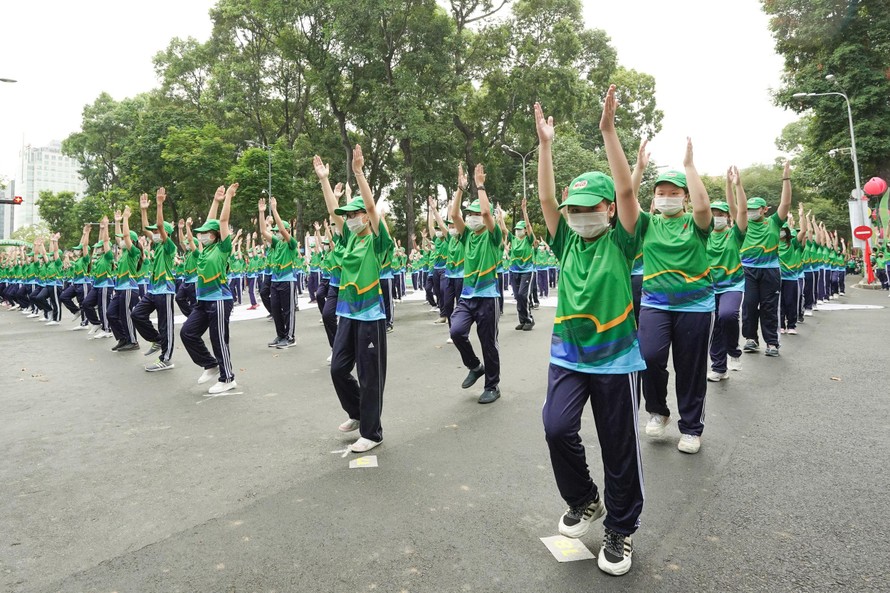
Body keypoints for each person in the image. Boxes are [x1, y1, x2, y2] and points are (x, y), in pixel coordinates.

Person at [536, 89, 645, 576]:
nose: (580, 216)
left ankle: (621, 527)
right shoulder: (565, 242)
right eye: (573, 210)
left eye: (589, 207)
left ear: (608, 208)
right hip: (568, 356)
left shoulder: (622, 240)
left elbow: (628, 192)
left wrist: (608, 131)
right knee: (556, 427)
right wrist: (545, 146)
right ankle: (584, 500)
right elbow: (546, 198)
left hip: (616, 360)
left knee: (619, 445)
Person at [314, 147, 391, 453]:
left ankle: (373, 432)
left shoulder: (377, 240)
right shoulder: (347, 240)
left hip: (370, 317)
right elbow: (334, 213)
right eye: (347, 216)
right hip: (347, 315)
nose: (349, 220)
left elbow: (371, 208)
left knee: (370, 378)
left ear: (366, 218)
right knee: (338, 369)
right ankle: (357, 413)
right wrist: (324, 180)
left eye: (353, 215)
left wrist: (358, 173)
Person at [638, 144, 714, 455]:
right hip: (655, 303)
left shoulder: (696, 224)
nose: (666, 197)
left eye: (674, 192)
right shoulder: (648, 223)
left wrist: (689, 166)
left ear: (685, 196)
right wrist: (639, 169)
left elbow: (703, 205)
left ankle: (692, 428)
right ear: (654, 198)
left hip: (695, 305)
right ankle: (659, 410)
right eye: (661, 193)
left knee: (689, 367)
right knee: (649, 356)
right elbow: (624, 199)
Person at [449, 163, 503, 404]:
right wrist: (460, 188)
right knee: (456, 332)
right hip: (467, 297)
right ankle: (474, 366)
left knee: (488, 343)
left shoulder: (493, 236)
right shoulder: (467, 236)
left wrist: (480, 186)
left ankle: (492, 386)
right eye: (470, 214)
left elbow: (488, 215)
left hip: (488, 297)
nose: (472, 217)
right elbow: (454, 216)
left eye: (476, 213)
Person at [180, 183, 239, 395]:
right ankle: (210, 364)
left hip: (219, 300)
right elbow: (210, 221)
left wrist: (228, 197)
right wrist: (215, 200)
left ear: (215, 235)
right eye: (201, 233)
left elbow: (222, 221)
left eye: (206, 233)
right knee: (187, 333)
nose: (202, 235)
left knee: (218, 339)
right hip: (203, 301)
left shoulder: (222, 248)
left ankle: (227, 378)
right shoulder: (204, 251)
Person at [737, 164, 792, 357]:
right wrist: (737, 185)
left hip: (770, 270)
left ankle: (772, 342)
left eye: (755, 209)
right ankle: (751, 339)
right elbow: (738, 207)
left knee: (769, 307)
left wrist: (786, 179)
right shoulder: (743, 224)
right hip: (748, 270)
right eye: (749, 209)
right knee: (749, 305)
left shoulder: (774, 222)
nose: (751, 211)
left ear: (765, 209)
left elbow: (785, 204)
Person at [131, 188, 178, 372]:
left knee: (166, 326)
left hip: (165, 290)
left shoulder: (168, 246)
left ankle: (166, 359)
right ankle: (157, 340)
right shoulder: (157, 245)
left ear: (164, 233)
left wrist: (159, 205)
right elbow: (145, 228)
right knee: (137, 314)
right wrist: (143, 210)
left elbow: (159, 225)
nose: (154, 233)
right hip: (153, 290)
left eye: (158, 231)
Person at [706, 168, 746, 381]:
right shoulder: (703, 235)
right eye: (713, 214)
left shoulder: (734, 234)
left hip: (732, 285)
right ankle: (719, 367)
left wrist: (733, 185)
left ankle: (733, 351)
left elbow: (741, 212)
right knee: (715, 326)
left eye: (720, 214)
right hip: (708, 287)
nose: (716, 218)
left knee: (727, 315)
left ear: (727, 217)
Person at [258, 196, 298, 349]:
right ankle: (280, 335)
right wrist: (261, 212)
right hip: (275, 281)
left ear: (287, 231)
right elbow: (263, 231)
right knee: (275, 309)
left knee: (288, 311)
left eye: (278, 231)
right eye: (274, 231)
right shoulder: (276, 244)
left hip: (287, 281)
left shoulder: (291, 243)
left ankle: (290, 337)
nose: (276, 233)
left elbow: (282, 229)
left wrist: (274, 209)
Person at [106, 207, 142, 352]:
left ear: (131, 241)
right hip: (120, 288)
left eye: (125, 239)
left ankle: (133, 341)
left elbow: (125, 236)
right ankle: (122, 338)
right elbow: (119, 237)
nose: (121, 241)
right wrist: (117, 222)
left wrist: (126, 219)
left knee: (125, 315)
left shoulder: (134, 252)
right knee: (111, 314)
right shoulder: (123, 253)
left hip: (129, 288)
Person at [778, 206, 807, 336]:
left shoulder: (793, 244)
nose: (781, 232)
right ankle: (781, 325)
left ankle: (791, 325)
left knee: (791, 301)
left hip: (791, 278)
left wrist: (801, 216)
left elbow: (803, 231)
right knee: (780, 303)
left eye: (783, 230)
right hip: (777, 278)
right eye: (779, 230)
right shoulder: (773, 243)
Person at [508, 199, 536, 330]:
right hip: (514, 271)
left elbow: (529, 226)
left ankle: (529, 320)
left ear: (525, 230)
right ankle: (522, 320)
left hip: (527, 271)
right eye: (516, 229)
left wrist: (524, 211)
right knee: (517, 296)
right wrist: (499, 218)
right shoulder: (513, 240)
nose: (517, 231)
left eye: (520, 229)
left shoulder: (529, 240)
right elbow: (503, 229)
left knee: (523, 295)